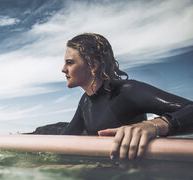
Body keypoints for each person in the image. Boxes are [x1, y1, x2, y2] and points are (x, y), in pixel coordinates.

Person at [59, 33, 193, 160]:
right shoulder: (85, 102)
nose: (63, 69)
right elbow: (64, 140)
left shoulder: (127, 91)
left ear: (93, 65)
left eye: (70, 62)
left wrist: (154, 125)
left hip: (139, 179)